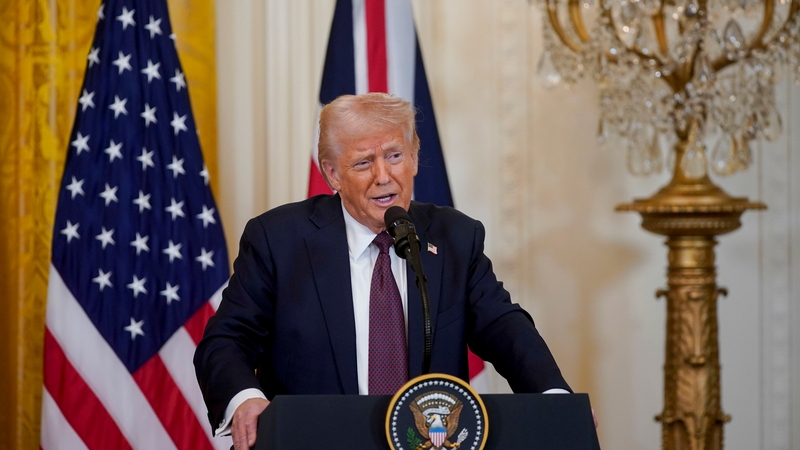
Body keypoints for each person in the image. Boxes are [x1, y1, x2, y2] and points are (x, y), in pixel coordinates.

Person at [194, 92, 572, 450]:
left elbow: (503, 328)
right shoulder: (279, 239)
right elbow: (226, 341)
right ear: (332, 174)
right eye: (363, 162)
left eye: (394, 155)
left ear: (415, 157)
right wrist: (245, 399)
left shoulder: (454, 236)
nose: (383, 176)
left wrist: (555, 399)